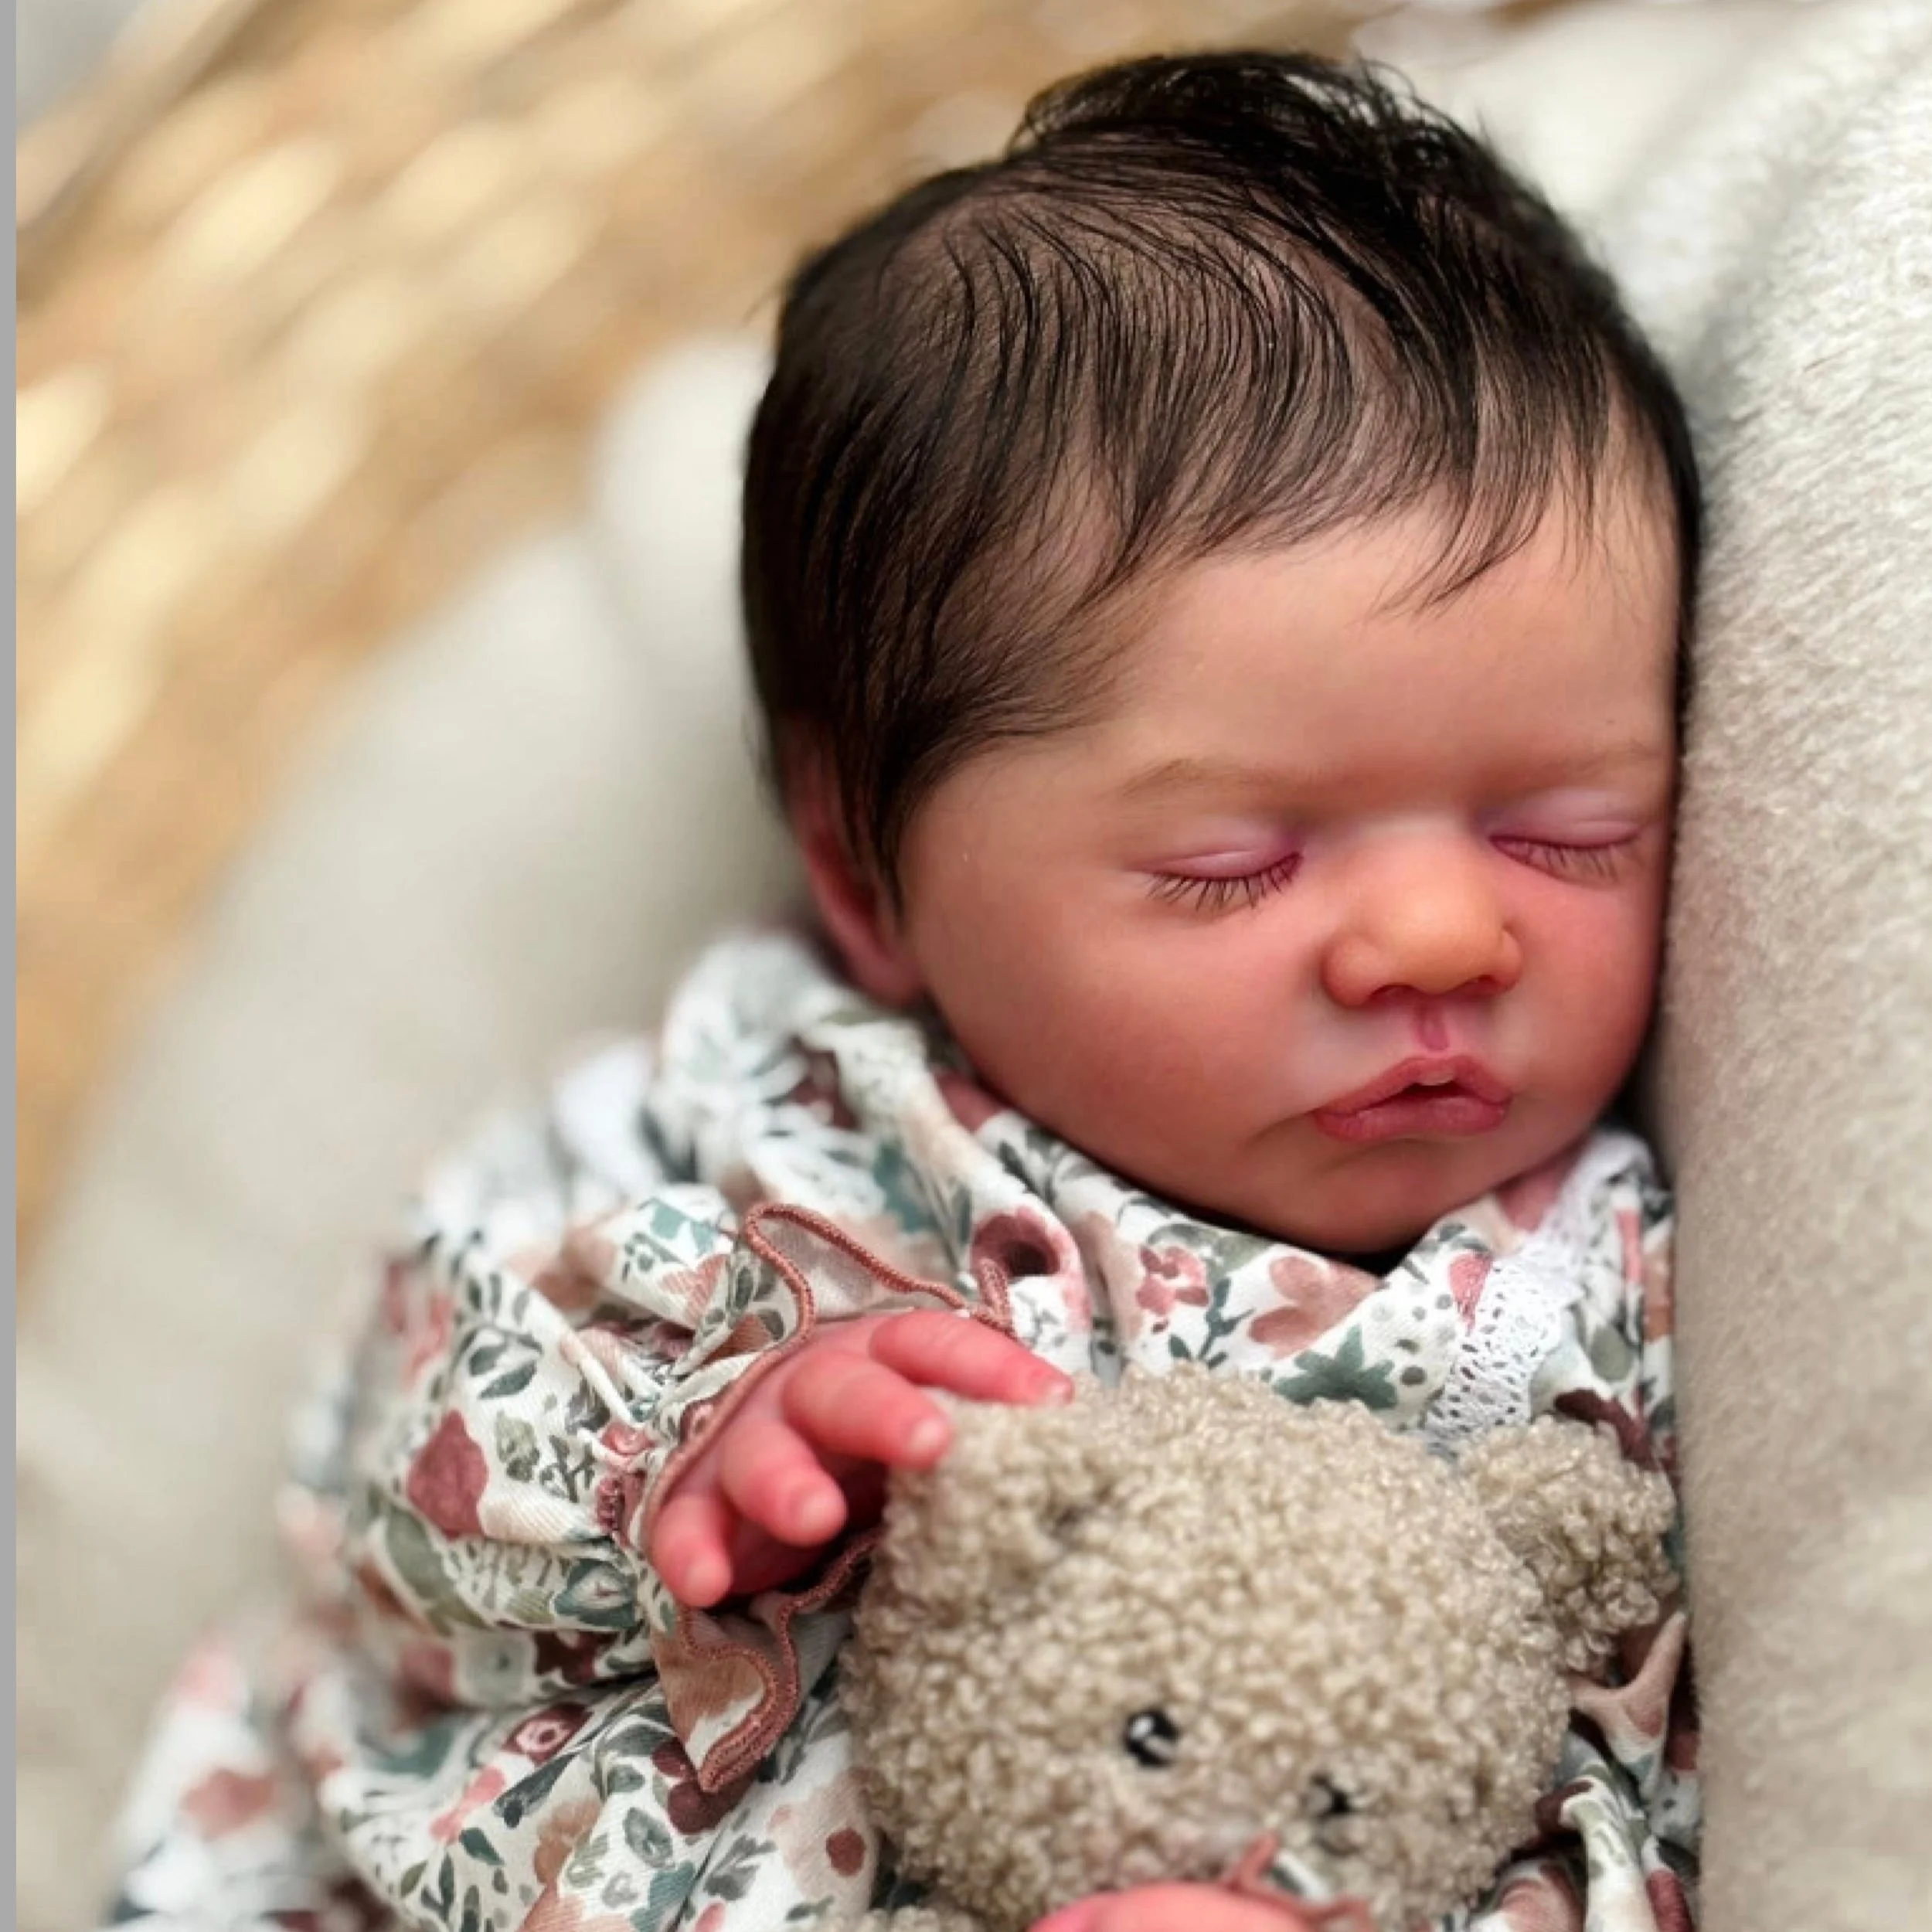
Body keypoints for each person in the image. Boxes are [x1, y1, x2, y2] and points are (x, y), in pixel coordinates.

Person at [107, 49, 1699, 1932]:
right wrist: (684, 1448)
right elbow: (401, 1480)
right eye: (1230, 863)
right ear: (868, 883)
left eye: (1567, 832)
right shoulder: (762, 1121)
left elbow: (1637, 1763)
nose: (1439, 933)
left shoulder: (1611, 1292)